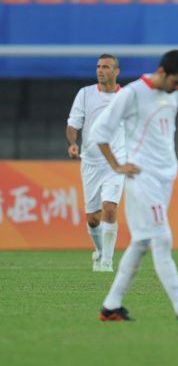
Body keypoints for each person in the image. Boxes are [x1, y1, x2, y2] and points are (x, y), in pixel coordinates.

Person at [92, 50, 178, 321]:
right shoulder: (132, 93)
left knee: (142, 241)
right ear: (162, 72)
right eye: (176, 82)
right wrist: (117, 166)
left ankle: (111, 306)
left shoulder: (172, 93)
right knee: (162, 238)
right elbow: (99, 132)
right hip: (142, 177)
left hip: (165, 177)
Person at [66, 54, 125, 273]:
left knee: (110, 207)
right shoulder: (85, 94)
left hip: (116, 161)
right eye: (99, 67)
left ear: (116, 71)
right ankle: (100, 251)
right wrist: (73, 143)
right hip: (90, 161)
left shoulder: (126, 97)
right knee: (93, 218)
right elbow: (73, 124)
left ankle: (107, 262)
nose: (101, 70)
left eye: (106, 67)